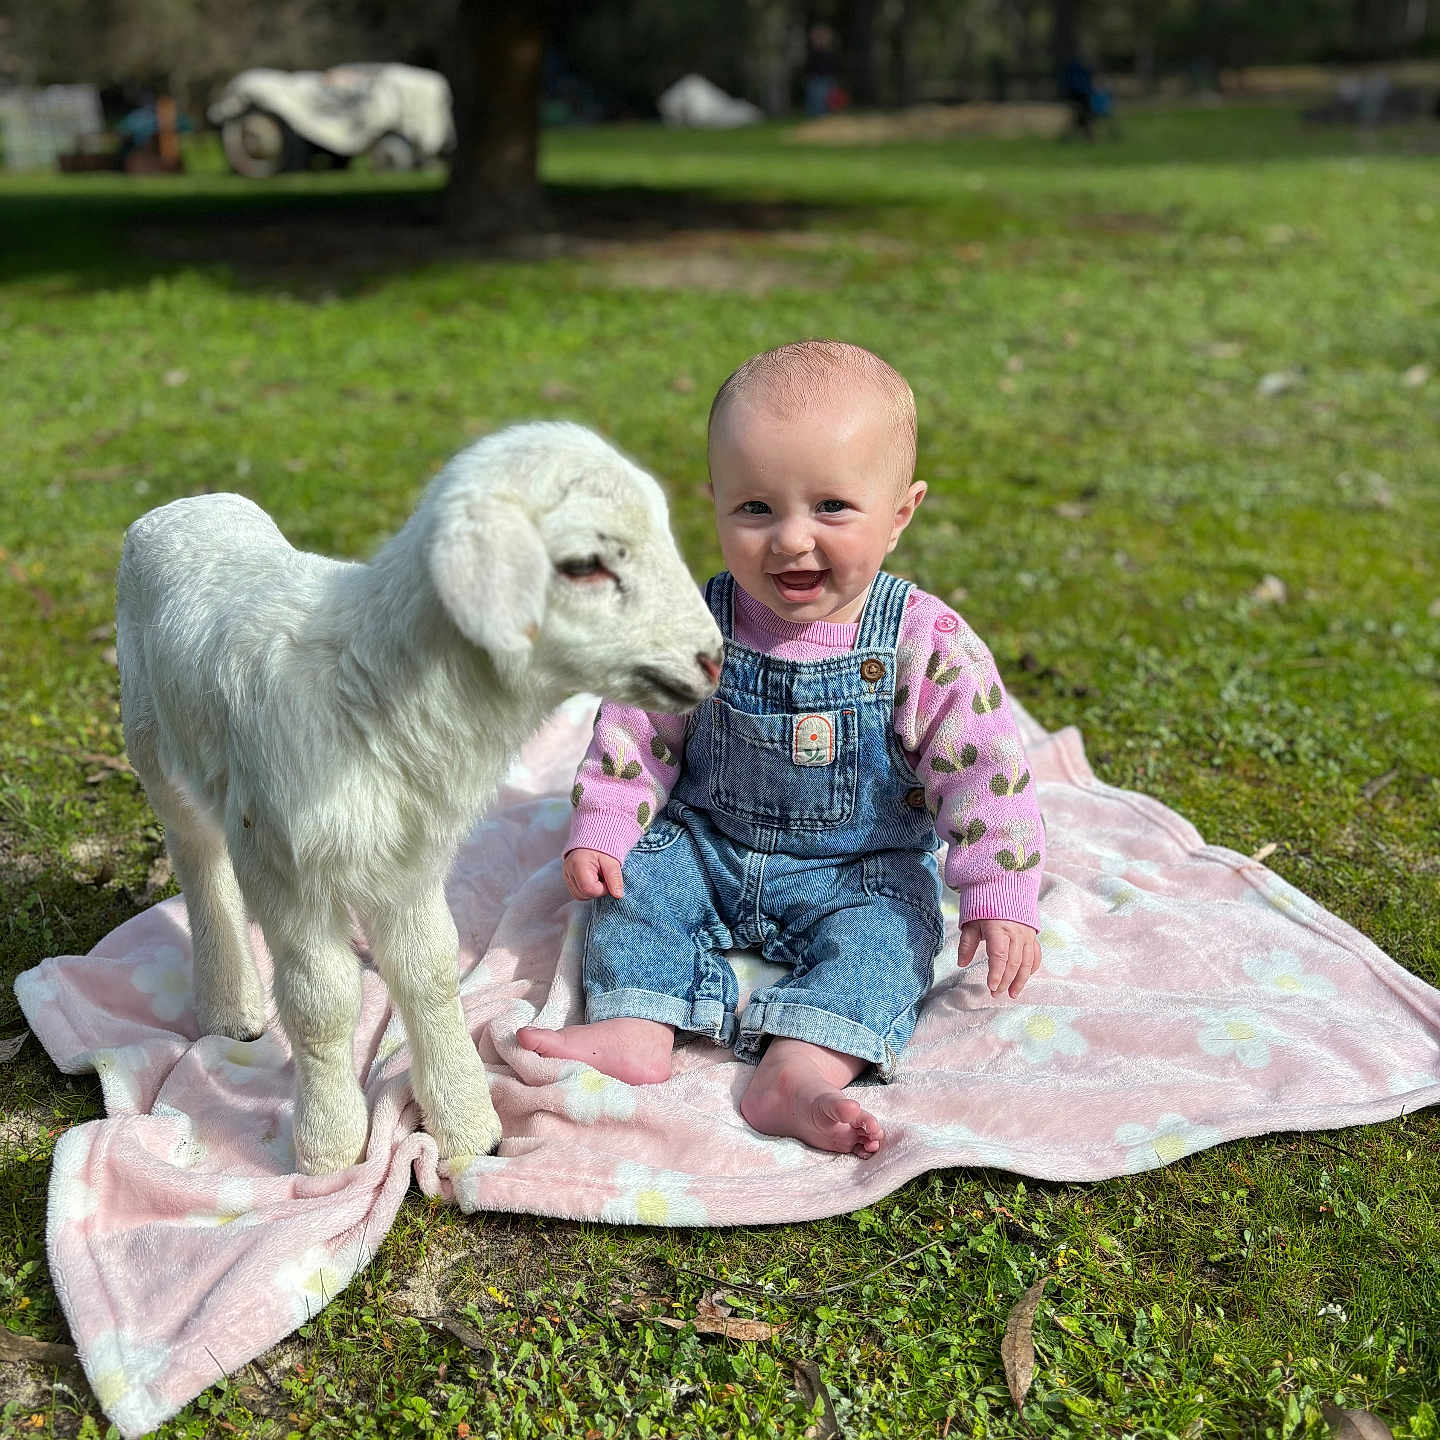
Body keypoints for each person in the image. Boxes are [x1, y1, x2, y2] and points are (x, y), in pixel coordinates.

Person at [518, 341, 1045, 1157]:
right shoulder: (704, 620)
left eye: (832, 507)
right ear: (716, 504)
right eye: (755, 509)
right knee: (634, 887)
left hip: (856, 865)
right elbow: (637, 727)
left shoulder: (924, 643)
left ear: (900, 512)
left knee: (889, 939)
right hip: (708, 844)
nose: (791, 541)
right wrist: (607, 824)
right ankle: (636, 1022)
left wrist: (997, 893)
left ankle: (800, 1068)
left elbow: (985, 772)